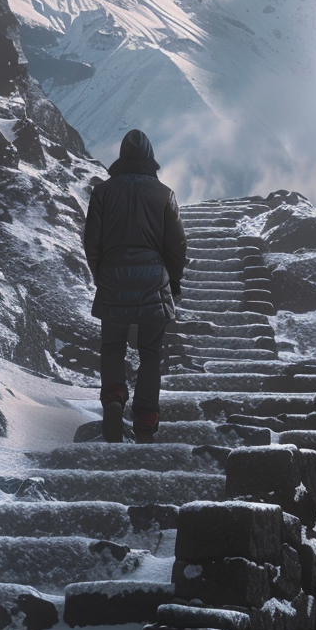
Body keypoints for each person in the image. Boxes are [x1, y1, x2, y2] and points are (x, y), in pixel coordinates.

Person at [83, 129, 187, 443]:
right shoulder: (164, 193)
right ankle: (146, 419)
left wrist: (100, 275)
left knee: (113, 346)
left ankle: (114, 397)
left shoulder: (103, 193)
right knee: (150, 351)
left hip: (113, 278)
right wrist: (174, 281)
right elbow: (176, 244)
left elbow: (92, 243)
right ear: (150, 158)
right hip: (153, 281)